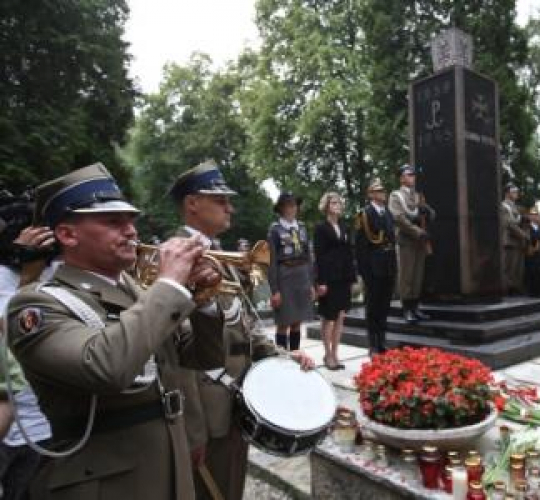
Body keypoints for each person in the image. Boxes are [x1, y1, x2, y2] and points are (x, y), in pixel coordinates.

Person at [5, 163, 226, 500]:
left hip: (168, 465)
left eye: (131, 220)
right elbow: (105, 367)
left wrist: (205, 300)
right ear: (67, 234)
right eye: (113, 222)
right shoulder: (36, 305)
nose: (131, 232)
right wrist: (168, 285)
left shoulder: (138, 292)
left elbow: (202, 357)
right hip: (107, 484)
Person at [168, 162, 314, 500]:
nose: (230, 207)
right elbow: (177, 356)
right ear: (192, 204)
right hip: (206, 413)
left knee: (231, 486)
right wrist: (191, 431)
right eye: (220, 200)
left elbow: (244, 326)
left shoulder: (218, 254)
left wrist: (284, 356)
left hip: (237, 402)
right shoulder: (175, 257)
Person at [0, 219, 54, 500]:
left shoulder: (53, 274)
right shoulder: (3, 277)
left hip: (42, 425)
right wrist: (26, 278)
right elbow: (14, 330)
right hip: (8, 429)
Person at [268, 192, 316, 351]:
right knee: (283, 322)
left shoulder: (301, 227)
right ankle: (282, 360)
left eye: (294, 205)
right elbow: (272, 261)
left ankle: (296, 356)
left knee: (297, 322)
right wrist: (275, 290)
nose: (292, 208)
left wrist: (311, 283)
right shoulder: (275, 230)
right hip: (285, 277)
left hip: (301, 277)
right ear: (281, 208)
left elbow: (308, 256)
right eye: (288, 205)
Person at [355, 178, 397, 355]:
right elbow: (360, 246)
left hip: (387, 265)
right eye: (378, 191)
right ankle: (372, 344)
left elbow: (391, 240)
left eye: (383, 190)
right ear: (371, 194)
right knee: (373, 307)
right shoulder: (364, 214)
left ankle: (382, 342)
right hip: (373, 267)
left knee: (384, 306)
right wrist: (364, 272)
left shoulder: (387, 213)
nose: (383, 193)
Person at [314, 192, 356, 370]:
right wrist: (320, 281)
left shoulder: (344, 227)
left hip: (343, 278)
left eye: (339, 202)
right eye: (333, 202)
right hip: (328, 278)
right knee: (328, 318)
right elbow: (319, 255)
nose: (337, 205)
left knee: (340, 316)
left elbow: (348, 253)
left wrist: (352, 278)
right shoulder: (321, 228)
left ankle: (336, 353)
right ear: (326, 206)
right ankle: (327, 354)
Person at [388, 165, 435, 323]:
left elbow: (432, 214)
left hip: (419, 241)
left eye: (413, 175)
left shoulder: (417, 196)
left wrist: (427, 211)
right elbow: (398, 218)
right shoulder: (396, 196)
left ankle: (415, 307)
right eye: (409, 174)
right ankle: (406, 309)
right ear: (401, 178)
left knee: (417, 275)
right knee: (407, 276)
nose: (412, 177)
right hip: (406, 240)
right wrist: (417, 231)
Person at [501, 184, 528, 295]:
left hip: (518, 242)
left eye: (516, 192)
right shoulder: (503, 206)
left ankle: (515, 290)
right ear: (507, 193)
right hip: (509, 241)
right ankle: (506, 291)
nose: (516, 194)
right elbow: (509, 224)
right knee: (509, 269)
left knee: (517, 269)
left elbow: (520, 223)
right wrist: (524, 235)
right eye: (514, 192)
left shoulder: (515, 207)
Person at [524, 206, 540, 297]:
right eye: (533, 215)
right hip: (530, 254)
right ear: (529, 216)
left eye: (537, 215)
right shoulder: (526, 227)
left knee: (539, 274)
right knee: (531, 274)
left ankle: (538, 292)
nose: (535, 217)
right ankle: (531, 292)